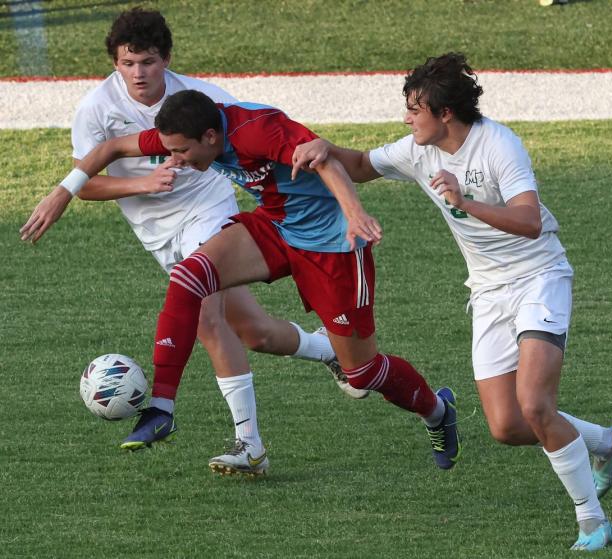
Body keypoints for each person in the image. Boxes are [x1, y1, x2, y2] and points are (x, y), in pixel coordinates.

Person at [290, 53, 612, 551]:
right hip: (488, 291)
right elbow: (363, 165)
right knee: (508, 425)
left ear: (444, 113)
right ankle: (606, 442)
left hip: (539, 277)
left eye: (414, 109)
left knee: (536, 404)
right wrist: (326, 147)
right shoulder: (419, 149)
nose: (407, 119)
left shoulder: (499, 146)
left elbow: (530, 220)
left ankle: (592, 520)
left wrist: (464, 202)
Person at [21, 89, 462, 474]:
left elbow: (322, 158)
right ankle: (162, 406)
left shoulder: (259, 131)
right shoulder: (187, 126)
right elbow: (112, 148)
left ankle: (437, 411)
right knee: (191, 275)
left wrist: (354, 213)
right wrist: (65, 190)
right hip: (275, 227)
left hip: (333, 246)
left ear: (211, 138)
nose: (174, 160)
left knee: (362, 373)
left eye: (181, 152)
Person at [34, 8, 370, 475]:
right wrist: (133, 186)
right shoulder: (97, 108)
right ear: (114, 63)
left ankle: (249, 445)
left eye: (148, 62)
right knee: (254, 333)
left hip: (208, 209)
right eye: (128, 63)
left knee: (208, 317)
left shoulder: (201, 98)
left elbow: (251, 135)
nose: (139, 73)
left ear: (165, 59)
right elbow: (91, 179)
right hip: (156, 232)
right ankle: (327, 350)